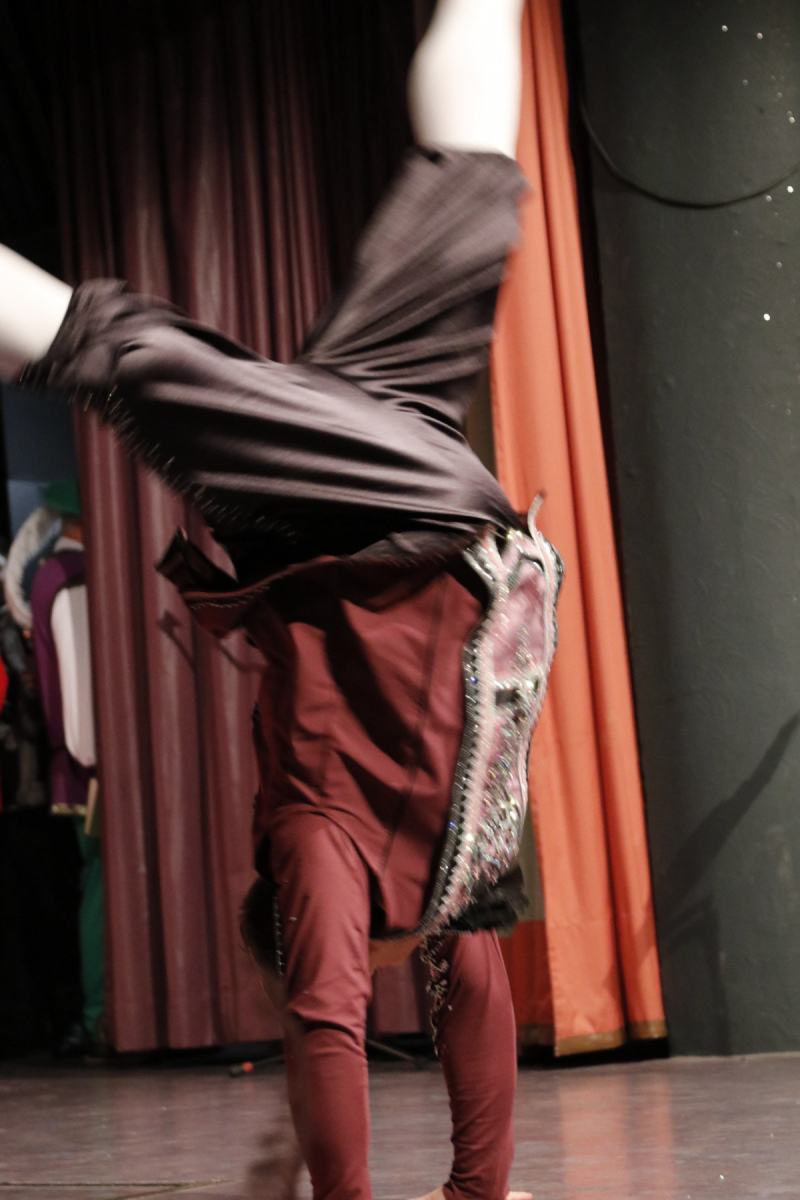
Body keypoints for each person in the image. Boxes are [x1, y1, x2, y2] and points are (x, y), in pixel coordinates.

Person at [0, 2, 562, 1197]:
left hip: (402, 484)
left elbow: (361, 1012)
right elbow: (332, 1017)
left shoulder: (373, 843)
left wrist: (479, 1190)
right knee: (120, 349)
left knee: (466, 196)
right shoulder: (347, 844)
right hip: (382, 487)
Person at [29, 479, 104, 1048]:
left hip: (79, 761)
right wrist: (94, 757)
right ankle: (102, 1014)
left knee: (97, 885)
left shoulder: (54, 572)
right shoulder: (69, 576)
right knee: (101, 887)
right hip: (88, 767)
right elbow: (77, 682)